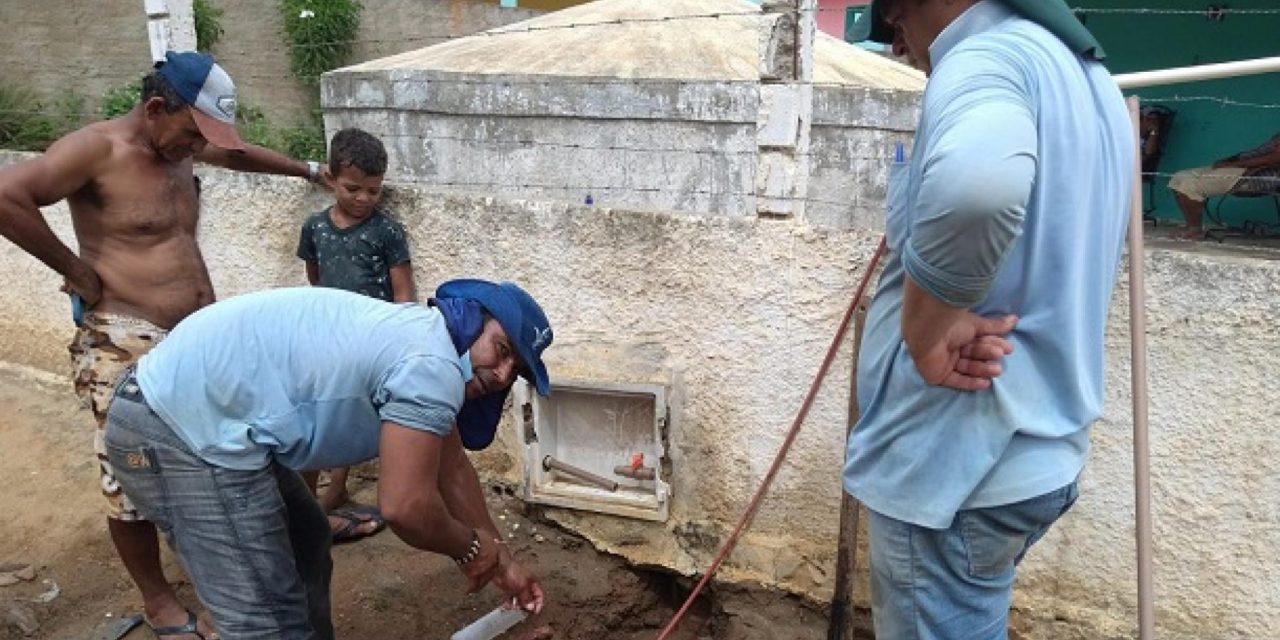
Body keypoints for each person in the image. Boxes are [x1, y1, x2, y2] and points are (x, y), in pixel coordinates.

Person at [0, 51, 324, 639]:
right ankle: (158, 600)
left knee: (213, 459)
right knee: (128, 478)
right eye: (192, 133)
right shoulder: (96, 150)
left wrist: (309, 169)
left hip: (194, 341)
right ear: (155, 108)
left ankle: (223, 580)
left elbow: (238, 153)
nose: (199, 148)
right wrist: (73, 268)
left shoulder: (183, 144)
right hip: (123, 340)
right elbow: (5, 194)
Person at [846, 0, 1133, 637]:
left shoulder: (984, 59)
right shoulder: (1084, 78)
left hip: (954, 470)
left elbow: (977, 190)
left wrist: (925, 335)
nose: (899, 49)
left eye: (894, 24)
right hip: (1034, 454)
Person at [103, 280, 552, 640]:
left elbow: (451, 467)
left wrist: (502, 559)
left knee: (306, 541)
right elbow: (405, 507)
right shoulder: (429, 363)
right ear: (473, 319)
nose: (501, 375)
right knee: (266, 624)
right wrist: (472, 551)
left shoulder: (426, 339)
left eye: (515, 372)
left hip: (206, 418)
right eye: (503, 349)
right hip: (176, 433)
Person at [296, 127, 415, 543]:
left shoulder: (386, 232)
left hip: (372, 340)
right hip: (329, 337)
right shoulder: (316, 229)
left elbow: (404, 293)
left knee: (354, 415)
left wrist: (399, 340)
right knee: (319, 415)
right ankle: (313, 501)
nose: (364, 198)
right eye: (353, 188)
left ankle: (340, 488)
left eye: (373, 191)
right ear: (330, 177)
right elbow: (315, 279)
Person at [1168, 132, 1280, 238]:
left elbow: (1274, 158)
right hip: (1241, 167)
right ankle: (1190, 224)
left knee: (1191, 185)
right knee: (1180, 177)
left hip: (1256, 176)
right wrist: (1227, 160)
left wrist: (1232, 164)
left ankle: (1194, 229)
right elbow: (1257, 152)